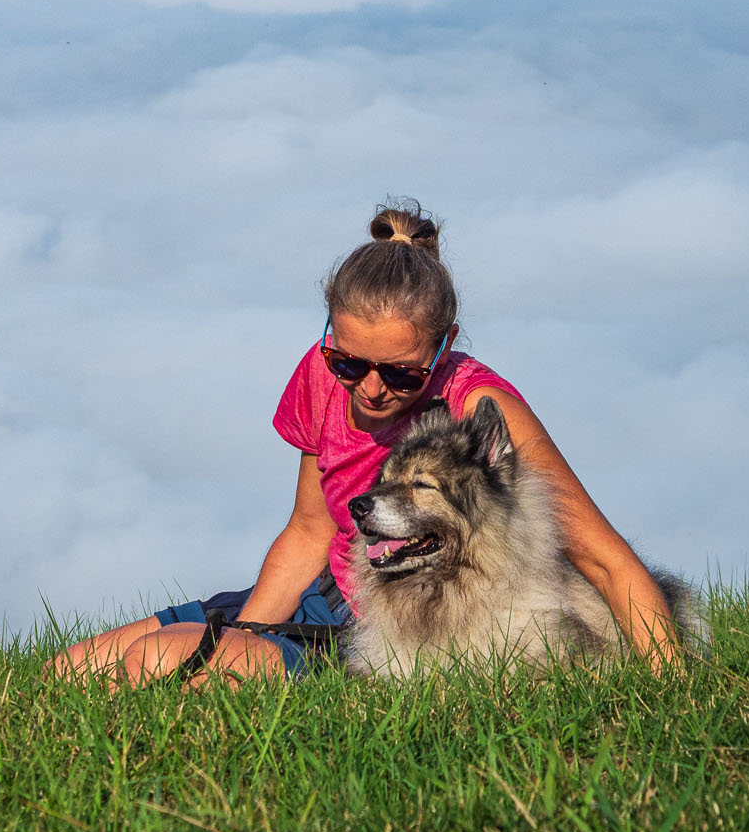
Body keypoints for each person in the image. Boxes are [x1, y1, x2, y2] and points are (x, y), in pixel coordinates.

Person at [48, 200, 683, 685]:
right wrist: (249, 631)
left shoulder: (478, 409)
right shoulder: (319, 375)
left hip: (388, 619)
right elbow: (307, 531)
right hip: (321, 590)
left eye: (401, 372)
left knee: (154, 661)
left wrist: (676, 691)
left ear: (445, 342)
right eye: (351, 363)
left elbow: (605, 560)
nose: (372, 389)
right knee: (72, 671)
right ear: (330, 333)